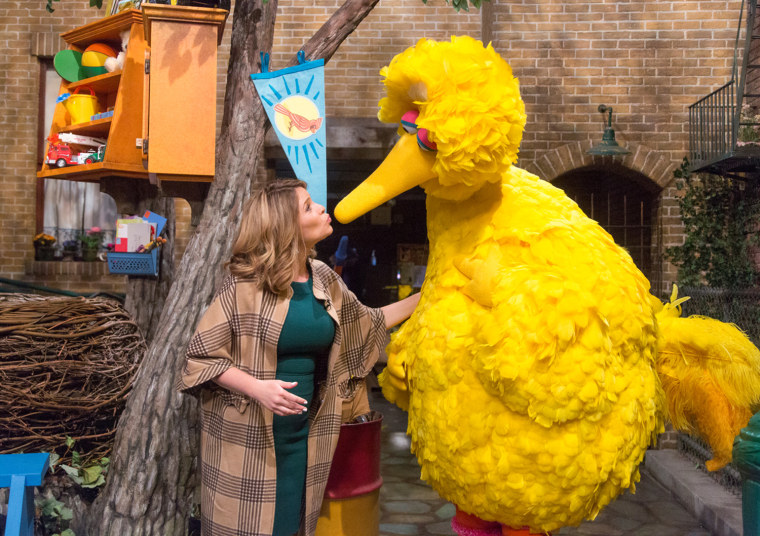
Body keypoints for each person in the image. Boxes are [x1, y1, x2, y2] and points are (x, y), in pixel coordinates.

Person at [177, 178, 420, 536]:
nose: (322, 208)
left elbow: (369, 322)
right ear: (285, 226)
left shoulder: (323, 279)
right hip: (250, 439)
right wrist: (257, 388)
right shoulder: (246, 284)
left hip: (308, 436)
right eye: (308, 206)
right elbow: (199, 359)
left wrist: (428, 296)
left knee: (293, 525)